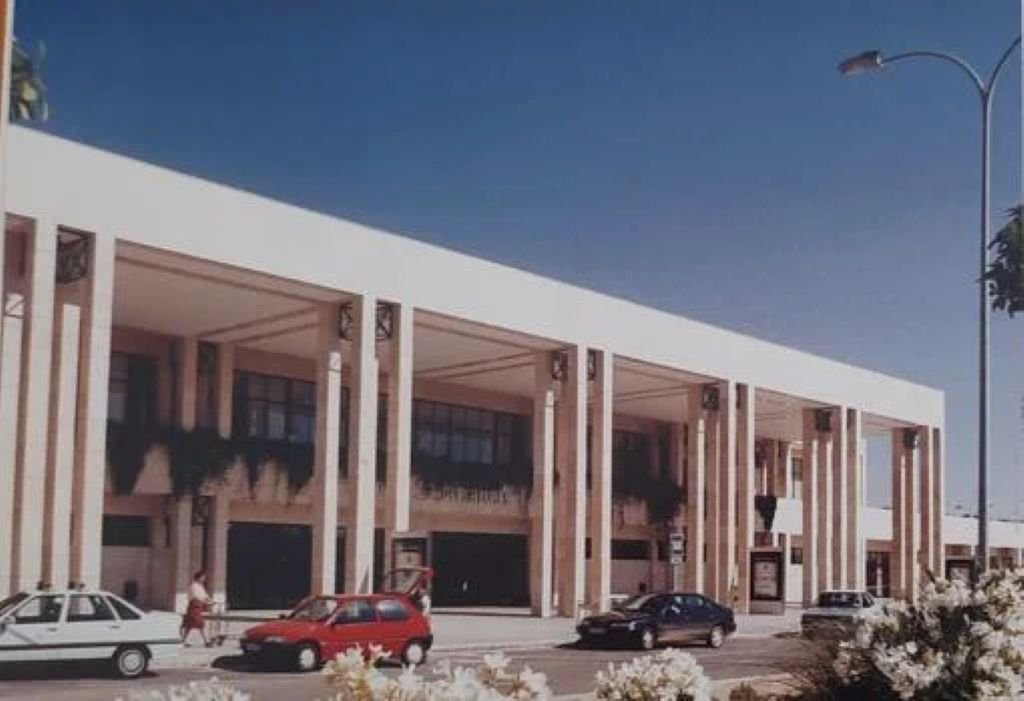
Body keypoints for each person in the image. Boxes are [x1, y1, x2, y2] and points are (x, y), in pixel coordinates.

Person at [181, 571, 212, 647]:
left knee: (190, 626)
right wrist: (205, 602)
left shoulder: (201, 586)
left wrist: (211, 600)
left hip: (199, 607)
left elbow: (205, 595)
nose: (204, 579)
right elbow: (196, 596)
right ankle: (206, 642)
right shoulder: (193, 586)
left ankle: (183, 641)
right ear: (198, 577)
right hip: (193, 607)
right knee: (200, 624)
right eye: (202, 577)